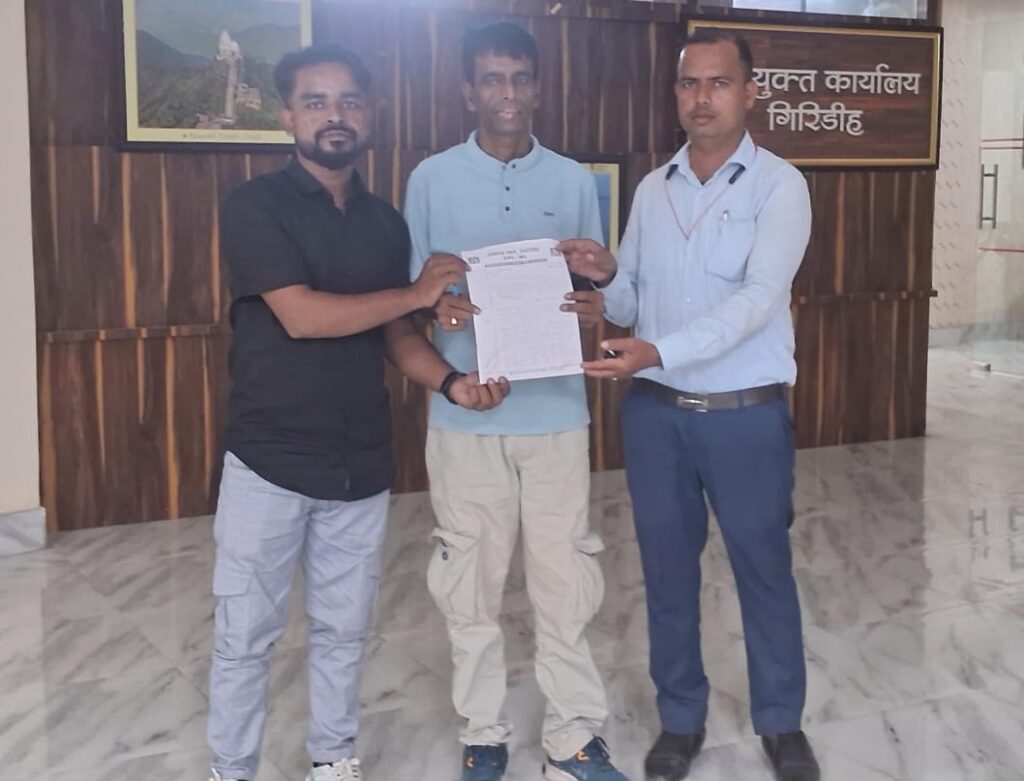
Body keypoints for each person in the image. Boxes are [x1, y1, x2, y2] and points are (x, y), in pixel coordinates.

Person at [207, 45, 509, 781]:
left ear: (367, 115)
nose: (334, 115)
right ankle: (231, 768)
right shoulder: (254, 206)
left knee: (343, 631)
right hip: (270, 460)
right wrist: (415, 294)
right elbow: (301, 315)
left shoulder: (383, 223)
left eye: (348, 101)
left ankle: (334, 759)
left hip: (360, 461)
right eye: (316, 102)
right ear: (288, 118)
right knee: (245, 635)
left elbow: (395, 334)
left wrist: (453, 383)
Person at [560, 29, 820, 781]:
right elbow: (633, 301)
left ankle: (781, 722)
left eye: (718, 82)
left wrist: (659, 349)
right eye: (687, 83)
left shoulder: (779, 186)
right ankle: (681, 719)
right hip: (656, 415)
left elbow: (758, 300)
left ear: (750, 91)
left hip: (745, 415)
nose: (700, 98)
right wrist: (606, 275)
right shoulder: (654, 188)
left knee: (763, 570)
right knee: (667, 573)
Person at [403, 21, 628, 781]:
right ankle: (484, 731)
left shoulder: (571, 182)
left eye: (520, 78)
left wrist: (594, 308)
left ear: (537, 87)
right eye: (493, 79)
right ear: (469, 90)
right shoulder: (431, 179)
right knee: (469, 582)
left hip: (557, 412)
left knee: (567, 582)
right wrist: (438, 310)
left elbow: (590, 289)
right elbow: (413, 294)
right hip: (465, 413)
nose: (508, 93)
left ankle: (572, 738)